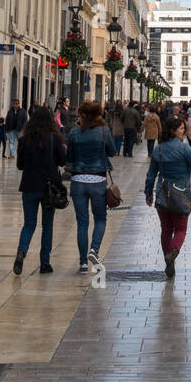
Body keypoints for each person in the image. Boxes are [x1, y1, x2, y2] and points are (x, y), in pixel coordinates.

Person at [145, 114, 191, 277]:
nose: (184, 132)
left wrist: (148, 194)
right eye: (181, 129)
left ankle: (168, 259)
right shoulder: (185, 149)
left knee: (166, 229)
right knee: (181, 229)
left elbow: (151, 175)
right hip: (181, 192)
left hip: (162, 193)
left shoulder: (159, 149)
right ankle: (173, 252)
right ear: (173, 131)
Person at [13, 106, 67, 276]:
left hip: (29, 186)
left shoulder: (24, 139)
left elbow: (20, 165)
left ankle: (21, 252)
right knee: (47, 225)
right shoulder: (54, 138)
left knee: (29, 224)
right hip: (48, 188)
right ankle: (44, 262)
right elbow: (62, 161)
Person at [66, 100, 117, 272]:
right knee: (100, 218)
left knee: (82, 222)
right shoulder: (103, 131)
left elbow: (70, 157)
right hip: (97, 180)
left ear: (81, 115)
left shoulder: (74, 132)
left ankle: (82, 263)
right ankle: (94, 249)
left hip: (78, 181)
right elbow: (111, 151)